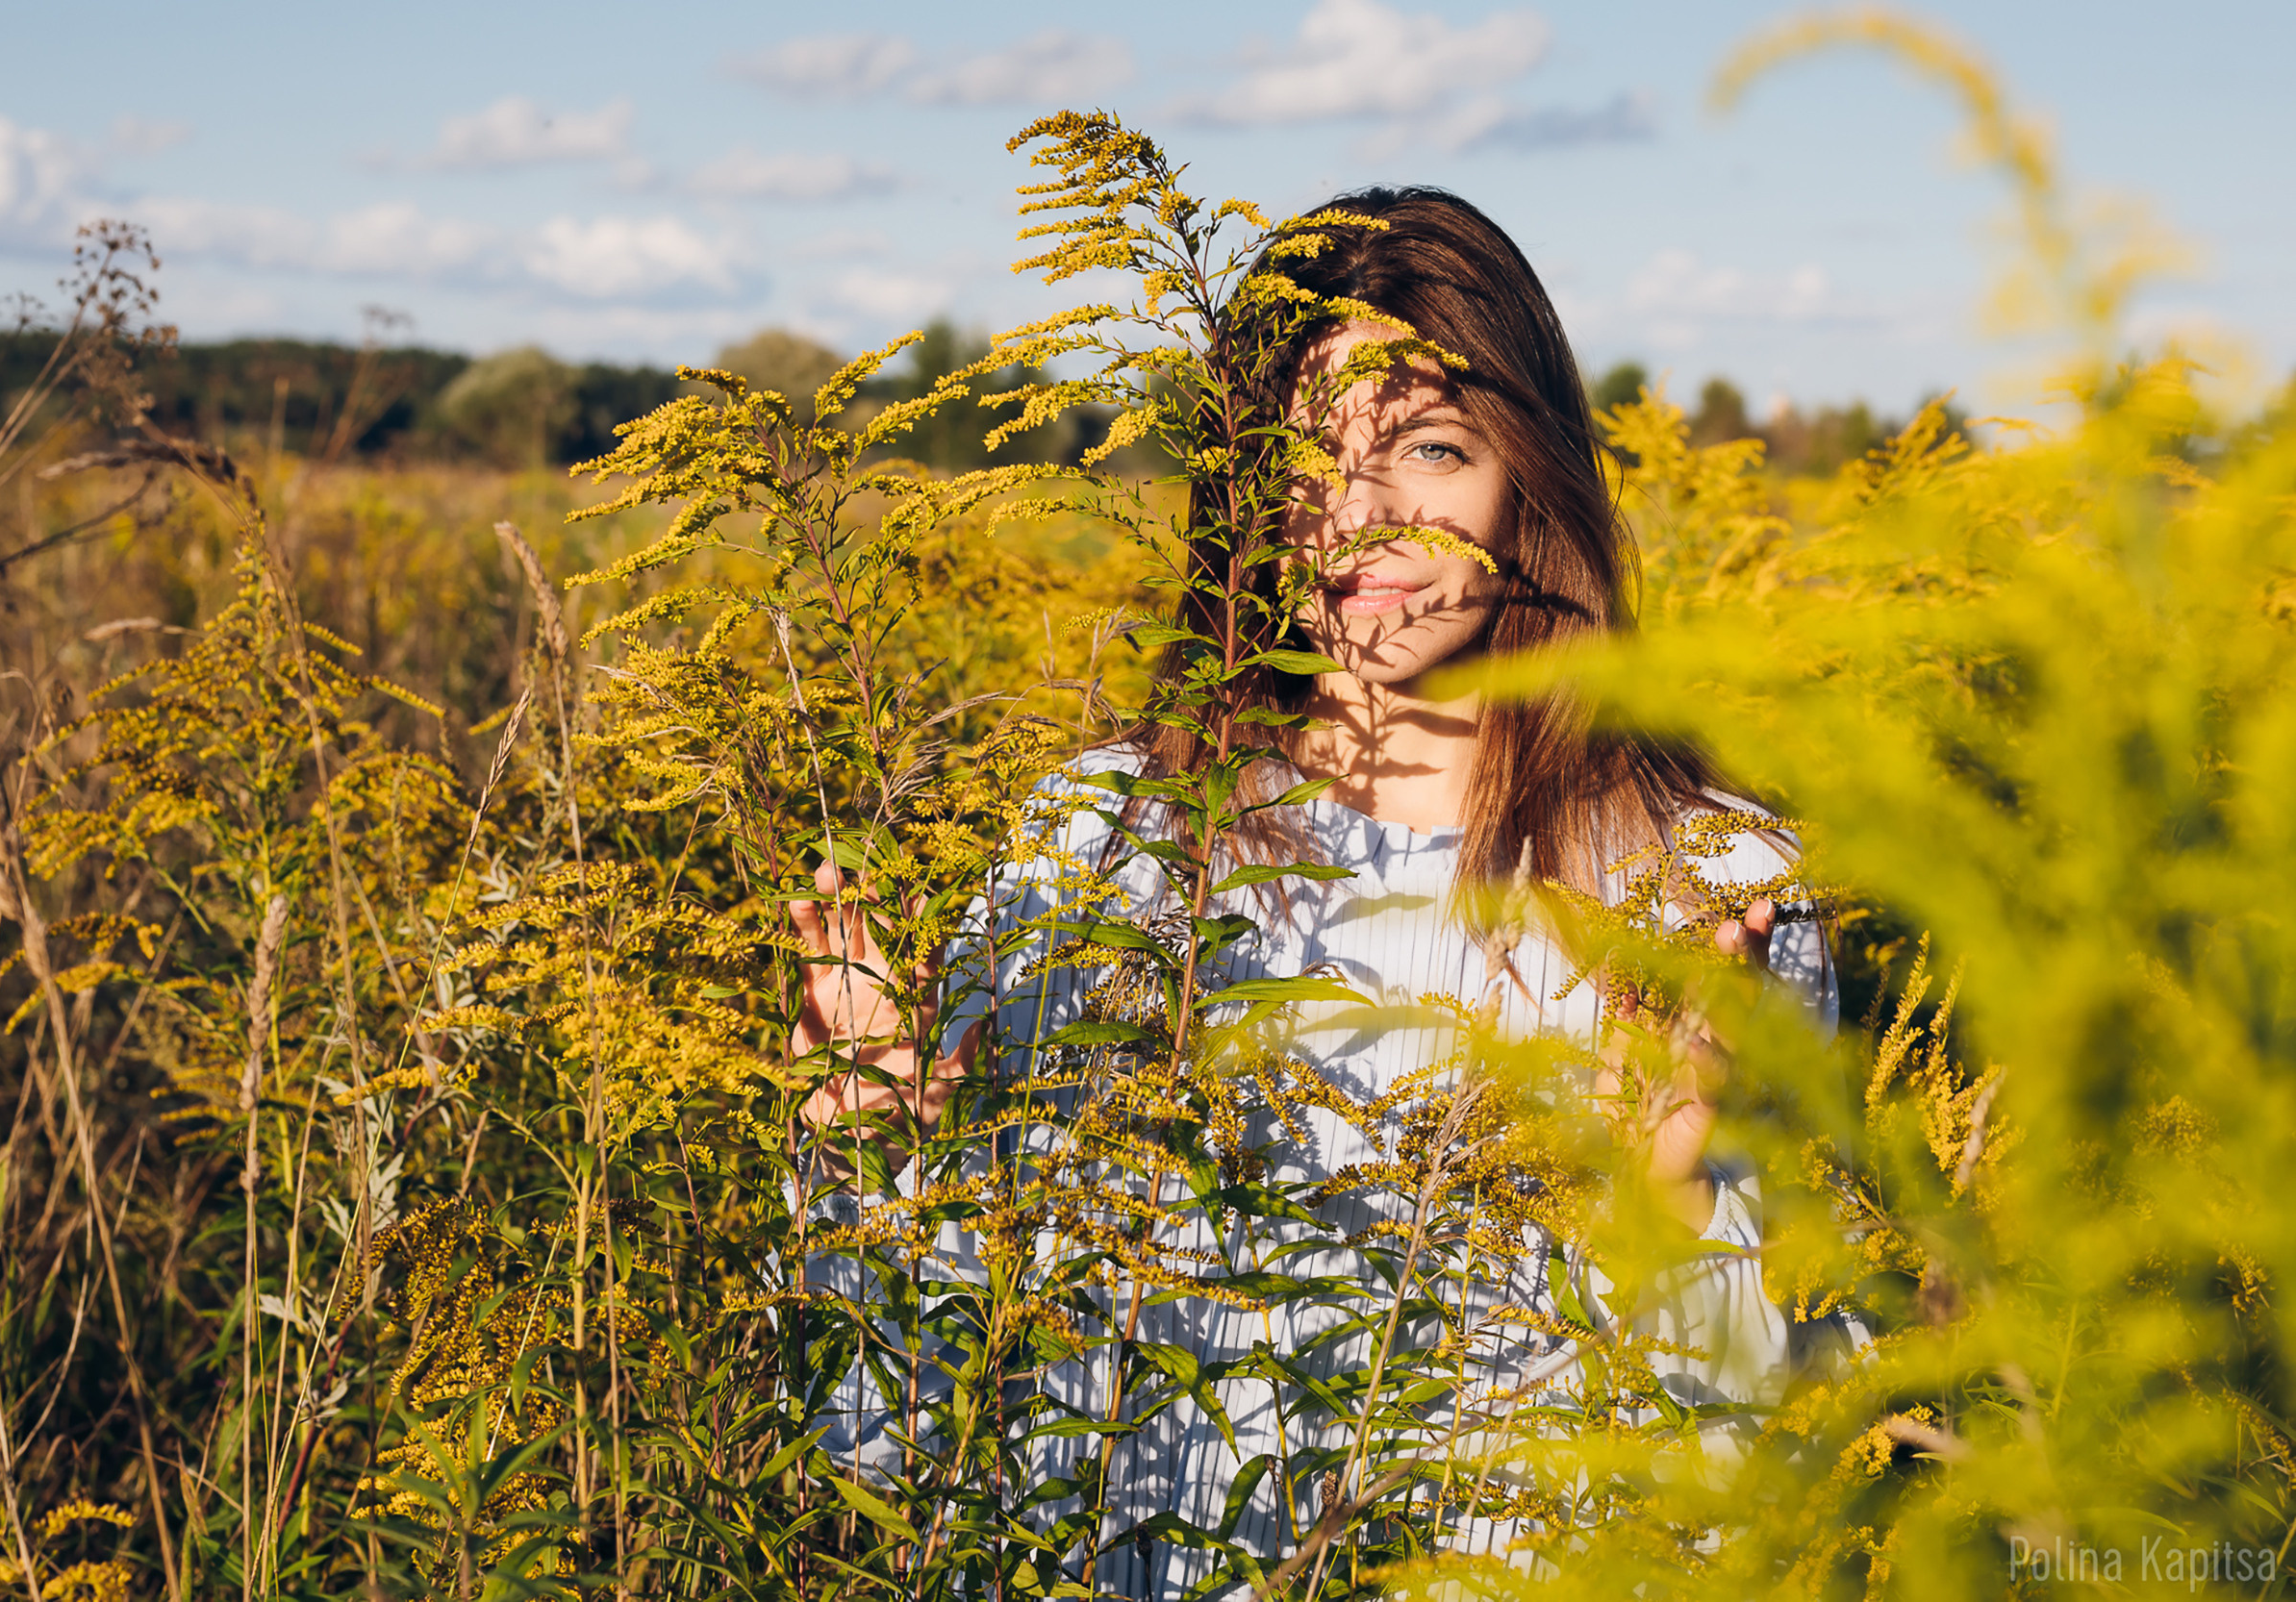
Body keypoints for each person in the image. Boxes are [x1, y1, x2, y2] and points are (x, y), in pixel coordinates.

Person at [790, 188, 1842, 1599]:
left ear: (1530, 471)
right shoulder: (1103, 843)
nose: (1357, 515)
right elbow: (910, 1448)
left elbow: (1763, 1477)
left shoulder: (1709, 888)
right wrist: (879, 1169)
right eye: (1305, 453)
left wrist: (1665, 1217)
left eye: (1430, 446)